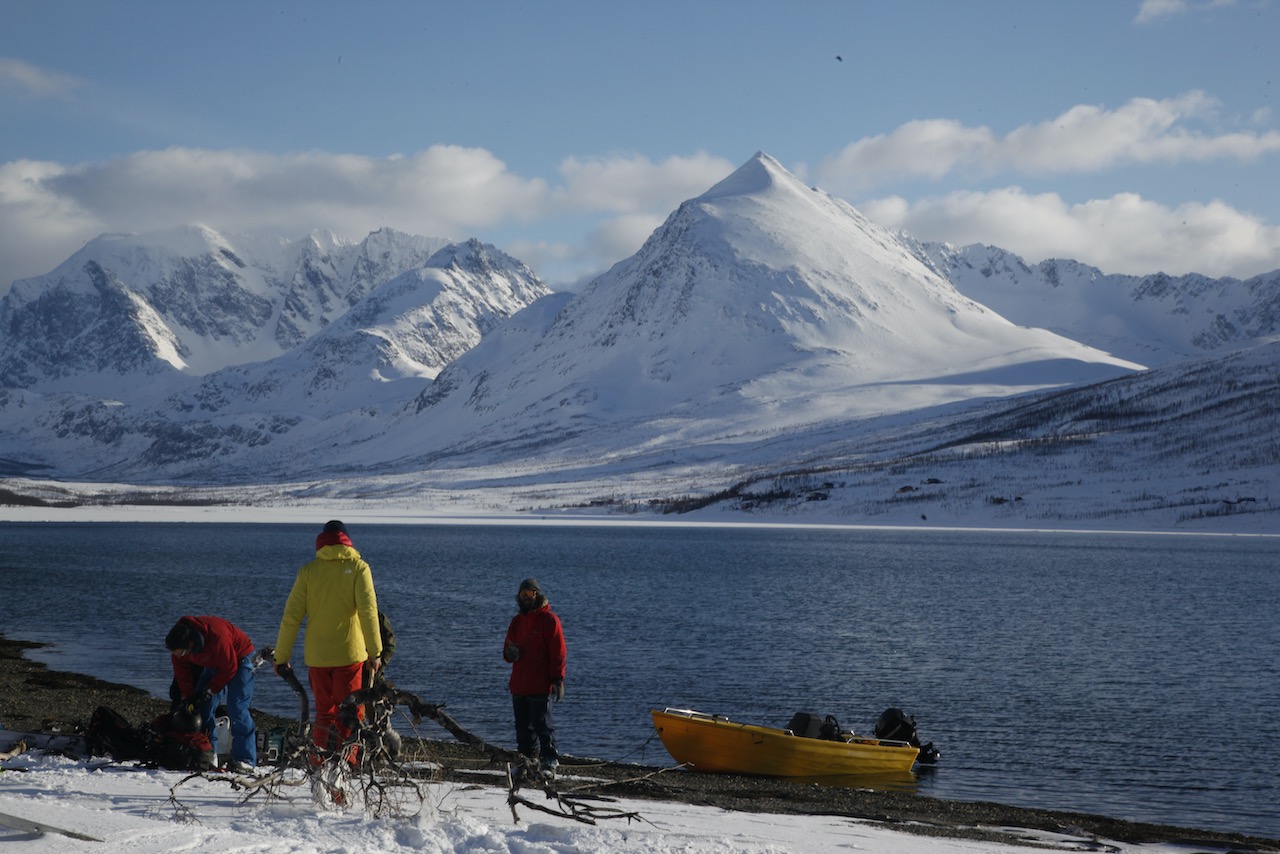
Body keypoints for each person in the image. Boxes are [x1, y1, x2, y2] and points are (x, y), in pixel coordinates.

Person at [273, 519, 382, 758]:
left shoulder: (309, 572)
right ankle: (346, 769)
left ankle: (319, 766)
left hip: (318, 658)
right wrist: (376, 652)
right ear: (347, 540)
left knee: (324, 713)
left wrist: (281, 657)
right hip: (350, 655)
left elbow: (291, 617)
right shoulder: (359, 568)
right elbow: (368, 612)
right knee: (351, 714)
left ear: (322, 542)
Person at [164, 615, 257, 772]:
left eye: (181, 653)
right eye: (177, 654)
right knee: (203, 708)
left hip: (240, 658)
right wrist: (188, 697)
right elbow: (182, 673)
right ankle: (208, 754)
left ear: (191, 644)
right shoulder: (179, 649)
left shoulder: (217, 637)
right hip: (214, 663)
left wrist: (211, 689)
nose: (179, 656)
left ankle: (246, 759)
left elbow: (229, 668)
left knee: (237, 708)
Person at [502, 577, 566, 777]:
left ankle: (549, 761)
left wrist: (558, 679)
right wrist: (510, 653)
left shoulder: (549, 620)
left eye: (530, 593)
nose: (526, 598)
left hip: (540, 684)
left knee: (542, 724)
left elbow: (558, 652)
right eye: (523, 594)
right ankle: (526, 762)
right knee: (522, 727)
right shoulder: (516, 622)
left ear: (537, 595)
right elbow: (507, 649)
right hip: (519, 685)